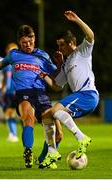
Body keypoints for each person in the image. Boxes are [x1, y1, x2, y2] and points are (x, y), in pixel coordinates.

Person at [0, 25, 61, 169]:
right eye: (24, 42)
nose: (27, 45)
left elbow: (57, 74)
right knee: (28, 117)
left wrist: (59, 63)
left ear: (34, 38)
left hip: (40, 93)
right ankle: (28, 150)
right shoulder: (14, 54)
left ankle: (43, 158)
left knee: (52, 127)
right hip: (23, 92)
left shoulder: (42, 55)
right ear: (20, 42)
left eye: (30, 41)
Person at [39, 10, 99, 167]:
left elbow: (91, 36)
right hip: (81, 98)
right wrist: (43, 74)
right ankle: (52, 154)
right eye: (58, 45)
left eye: (62, 45)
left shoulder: (82, 51)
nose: (60, 49)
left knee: (55, 109)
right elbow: (57, 86)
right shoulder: (66, 64)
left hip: (88, 95)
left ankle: (81, 138)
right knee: (47, 114)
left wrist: (77, 19)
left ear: (71, 42)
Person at [1, 42, 19, 142]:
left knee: (14, 113)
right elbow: (5, 78)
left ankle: (14, 134)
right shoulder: (6, 64)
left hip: (16, 91)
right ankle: (13, 134)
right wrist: (3, 89)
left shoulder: (18, 63)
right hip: (9, 92)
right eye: (11, 50)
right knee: (9, 113)